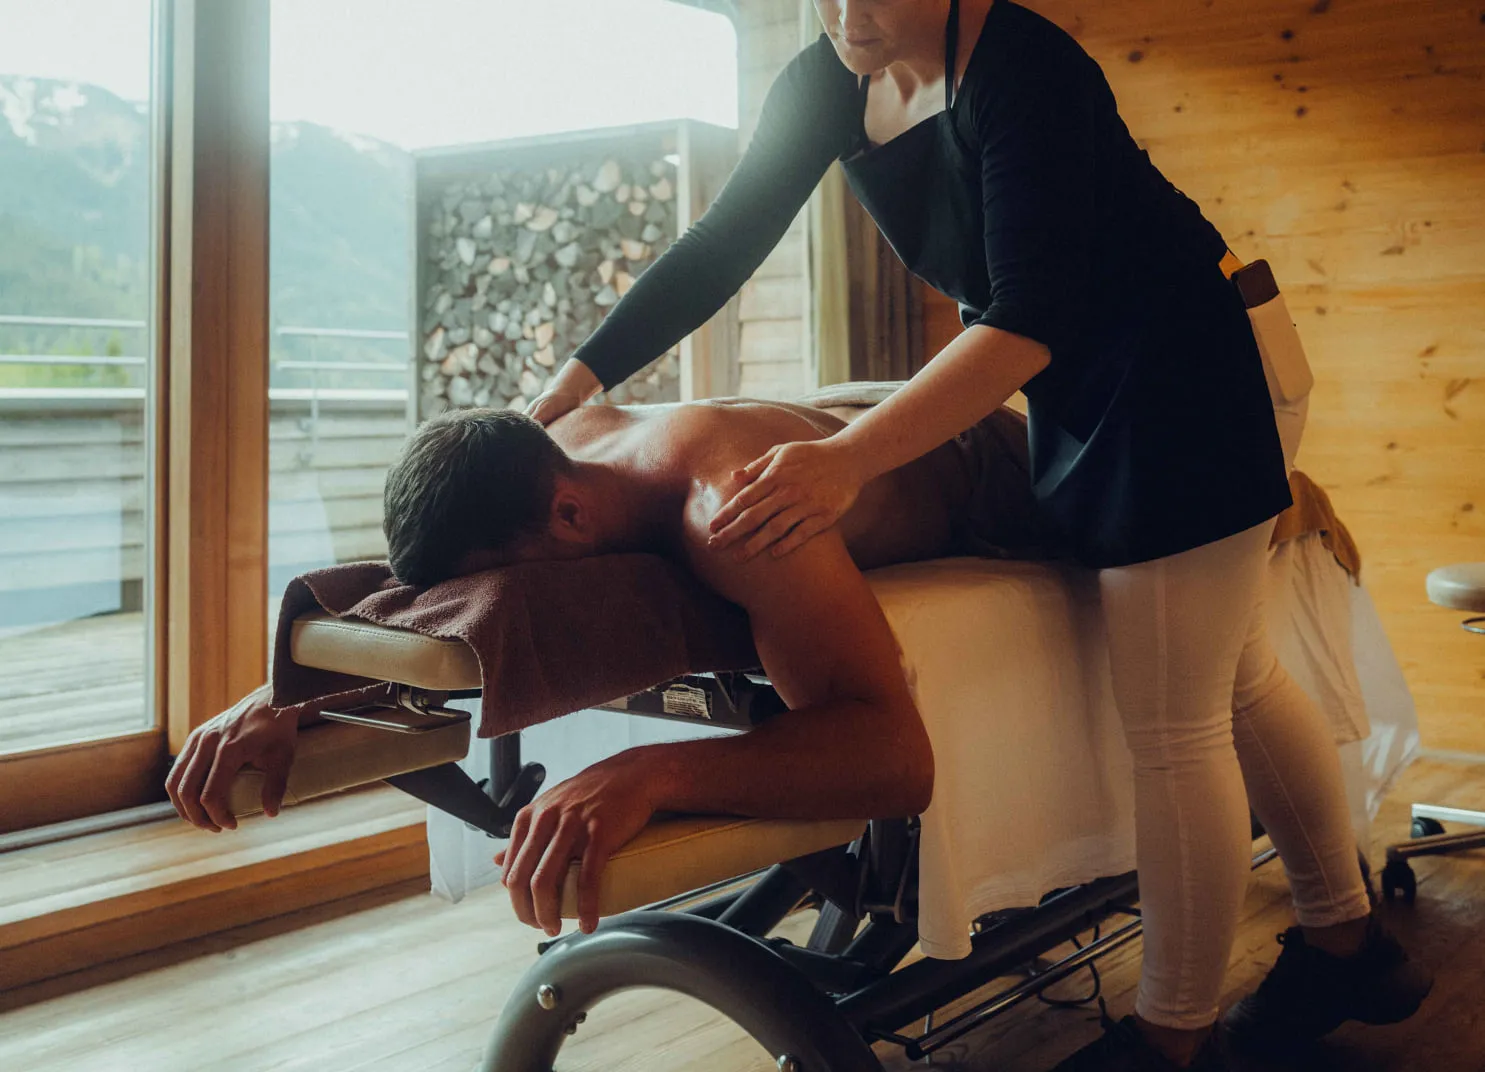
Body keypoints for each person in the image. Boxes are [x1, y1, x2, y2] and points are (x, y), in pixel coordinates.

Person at [521, 2, 1430, 1067]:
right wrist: (566, 389)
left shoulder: (1027, 69)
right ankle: (1347, 942)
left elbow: (1026, 320)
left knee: (1176, 720)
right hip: (1086, 383)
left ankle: (1169, 1038)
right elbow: (722, 243)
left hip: (1190, 366)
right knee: (1234, 674)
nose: (846, 13)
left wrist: (851, 456)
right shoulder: (827, 77)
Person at [168, 394, 1041, 940]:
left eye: (514, 589)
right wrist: (285, 695)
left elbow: (893, 757)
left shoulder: (735, 510)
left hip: (993, 459)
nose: (508, 604)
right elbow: (437, 592)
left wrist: (651, 770)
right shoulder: (548, 445)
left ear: (573, 515)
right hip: (807, 405)